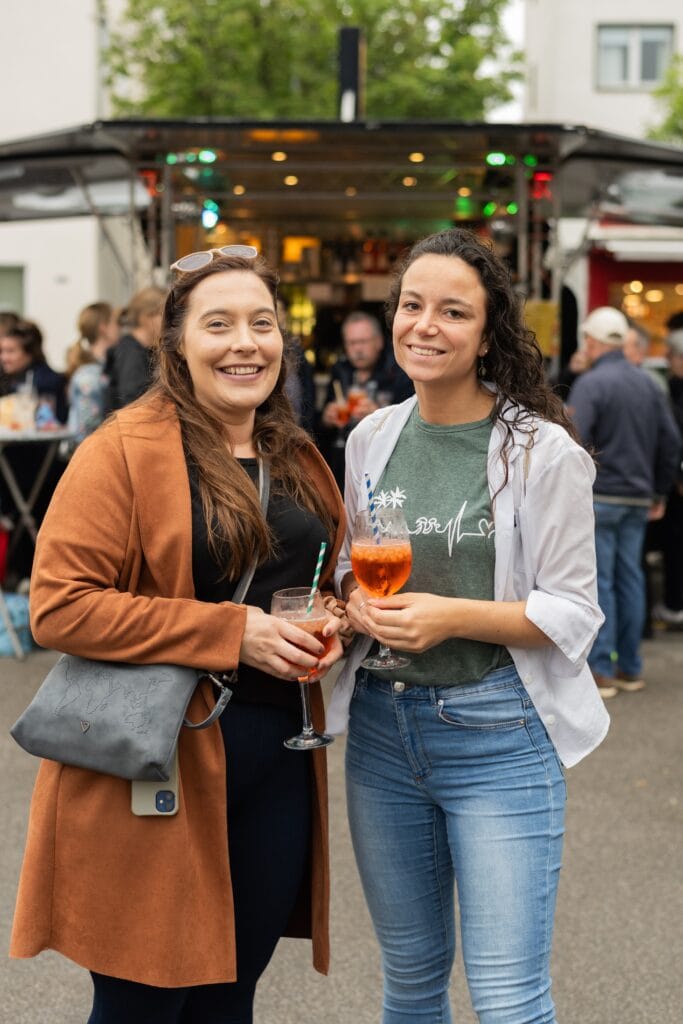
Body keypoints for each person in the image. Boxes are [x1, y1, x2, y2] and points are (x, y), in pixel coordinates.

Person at [10, 248, 346, 1023]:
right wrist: (233, 633)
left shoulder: (289, 451)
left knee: (230, 1000)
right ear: (175, 346)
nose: (244, 343)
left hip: (276, 760)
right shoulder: (121, 449)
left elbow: (320, 571)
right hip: (156, 763)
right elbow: (58, 607)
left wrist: (331, 611)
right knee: (145, 1004)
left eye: (262, 324)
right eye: (218, 324)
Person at [328, 228, 610, 1024]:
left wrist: (452, 616)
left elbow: (574, 611)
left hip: (497, 736)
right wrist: (353, 607)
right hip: (383, 734)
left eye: (453, 311)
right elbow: (356, 564)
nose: (425, 325)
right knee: (409, 985)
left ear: (486, 334)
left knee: (508, 1001)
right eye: (411, 306)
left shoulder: (541, 452)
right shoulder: (372, 437)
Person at [567, 306, 680, 698]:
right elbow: (671, 443)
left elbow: (574, 445)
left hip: (599, 496)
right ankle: (631, 667)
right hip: (638, 497)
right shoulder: (650, 383)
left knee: (601, 582)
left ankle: (602, 669)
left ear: (593, 342)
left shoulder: (591, 384)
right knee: (631, 577)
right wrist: (659, 491)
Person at [319, 311, 413, 487]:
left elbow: (412, 425)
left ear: (378, 342)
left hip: (386, 462)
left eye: (363, 342)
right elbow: (322, 428)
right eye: (352, 343)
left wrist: (380, 415)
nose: (358, 349)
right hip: (342, 461)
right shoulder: (340, 370)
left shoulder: (399, 370)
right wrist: (326, 418)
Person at [654, 328, 683, 625]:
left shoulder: (673, 389)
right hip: (674, 482)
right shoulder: (668, 388)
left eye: (671, 356)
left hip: (677, 485)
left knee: (675, 548)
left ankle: (675, 604)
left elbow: (672, 439)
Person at [65, 301, 120, 444]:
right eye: (116, 323)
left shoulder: (107, 365)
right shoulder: (88, 375)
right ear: (103, 328)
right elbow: (89, 426)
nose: (120, 328)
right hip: (92, 452)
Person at [105, 285, 165, 409]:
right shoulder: (131, 352)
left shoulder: (145, 349)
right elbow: (132, 400)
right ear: (146, 317)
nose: (169, 321)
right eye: (163, 314)